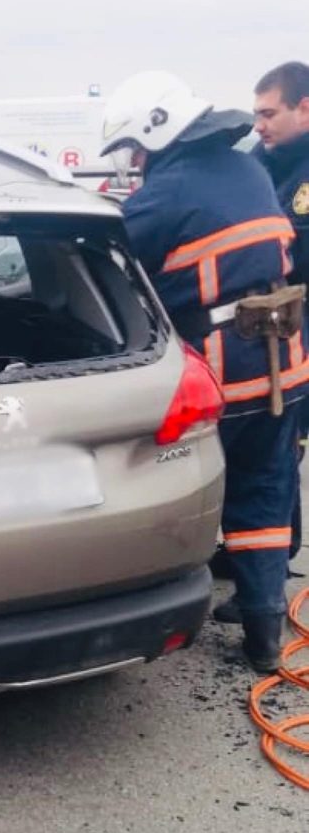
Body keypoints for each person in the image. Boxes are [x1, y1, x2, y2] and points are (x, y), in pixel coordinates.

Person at [101, 70, 309, 672]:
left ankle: (161, 602)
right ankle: (264, 626)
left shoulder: (165, 194)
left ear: (157, 136)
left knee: (205, 483)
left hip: (228, 366)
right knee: (268, 489)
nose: (134, 161)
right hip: (286, 358)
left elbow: (111, 268)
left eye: (135, 148)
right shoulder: (248, 168)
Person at [253, 62, 309, 562]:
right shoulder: (265, 161)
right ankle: (277, 546)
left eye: (269, 113)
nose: (260, 124)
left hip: (301, 320)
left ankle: (274, 556)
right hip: (283, 322)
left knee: (286, 441)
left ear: (305, 108)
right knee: (282, 441)